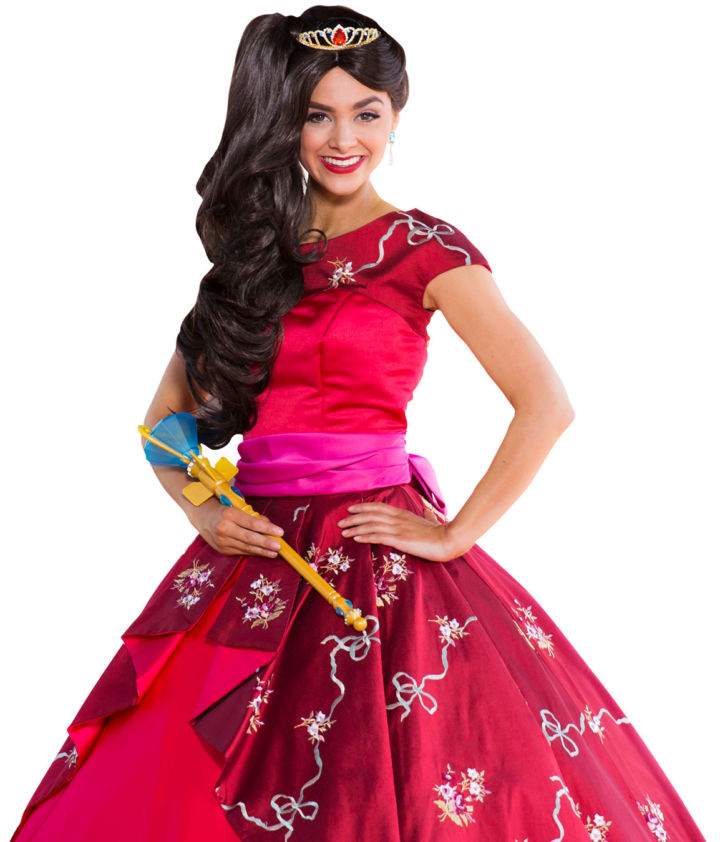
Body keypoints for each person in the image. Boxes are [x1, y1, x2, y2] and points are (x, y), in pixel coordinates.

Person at [10, 5, 706, 841]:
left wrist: (455, 535)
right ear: (284, 123)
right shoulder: (252, 260)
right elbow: (164, 424)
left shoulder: (426, 248)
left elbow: (546, 403)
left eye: (366, 114)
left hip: (377, 559)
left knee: (387, 784)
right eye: (318, 115)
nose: (345, 139)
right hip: (254, 559)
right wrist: (205, 510)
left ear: (396, 117)